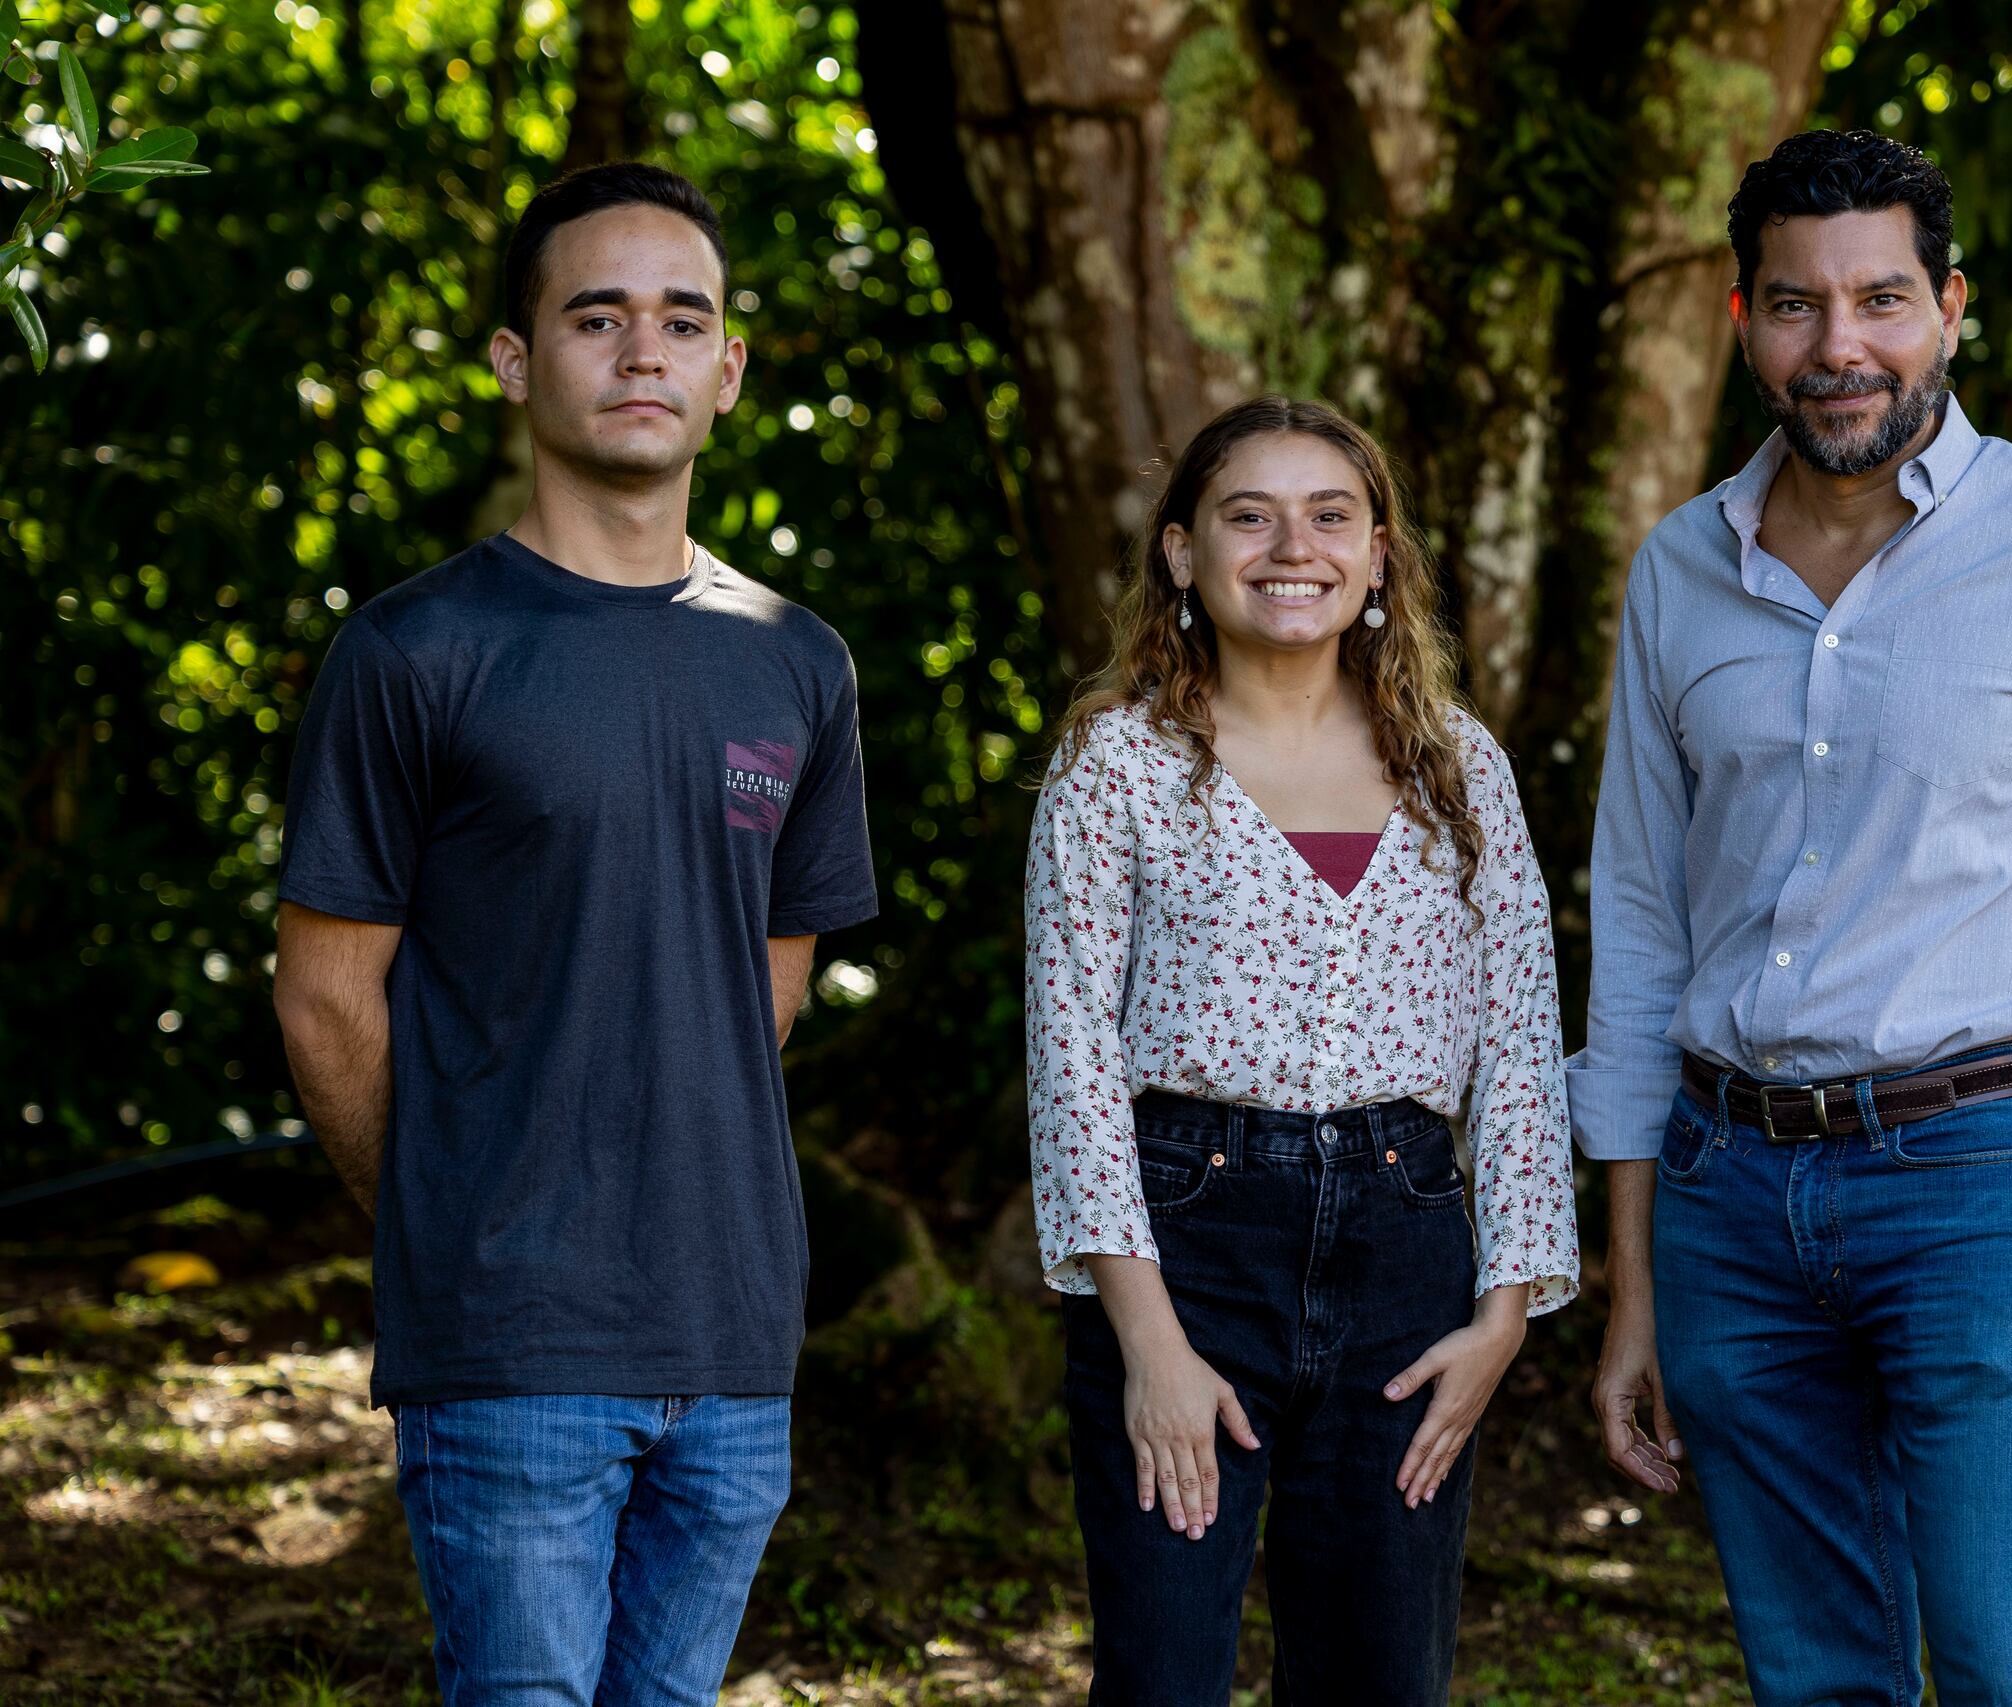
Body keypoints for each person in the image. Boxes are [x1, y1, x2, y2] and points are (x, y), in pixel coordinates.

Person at [1573, 129, 2012, 1707]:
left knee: (2010, 1670)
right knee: (1817, 1685)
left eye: (1882, 300)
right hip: (1726, 1202)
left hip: (1984, 1184)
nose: (1841, 348)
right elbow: (1634, 931)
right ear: (1741, 318)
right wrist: (1632, 1288)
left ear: (1952, 307)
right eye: (1795, 305)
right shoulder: (1675, 573)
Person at [271, 161, 876, 1706]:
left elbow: (771, 985)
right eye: (595, 316)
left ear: (730, 371)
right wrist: (456, 1224)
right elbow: (329, 1002)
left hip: (735, 1333)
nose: (642, 352)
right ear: (516, 361)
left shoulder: (799, 665)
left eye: (684, 320)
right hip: (512, 1341)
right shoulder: (416, 650)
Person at [1024, 395, 1578, 1705]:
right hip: (1183, 1243)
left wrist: (1504, 1315)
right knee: (1164, 1676)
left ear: (1379, 554)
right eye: (1248, 514)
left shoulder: (1458, 766)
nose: (1294, 546)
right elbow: (1072, 1063)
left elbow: (1520, 1044)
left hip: (1408, 1253)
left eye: (1331, 514)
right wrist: (1148, 1344)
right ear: (1182, 554)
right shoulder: (1119, 765)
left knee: (1382, 1680)